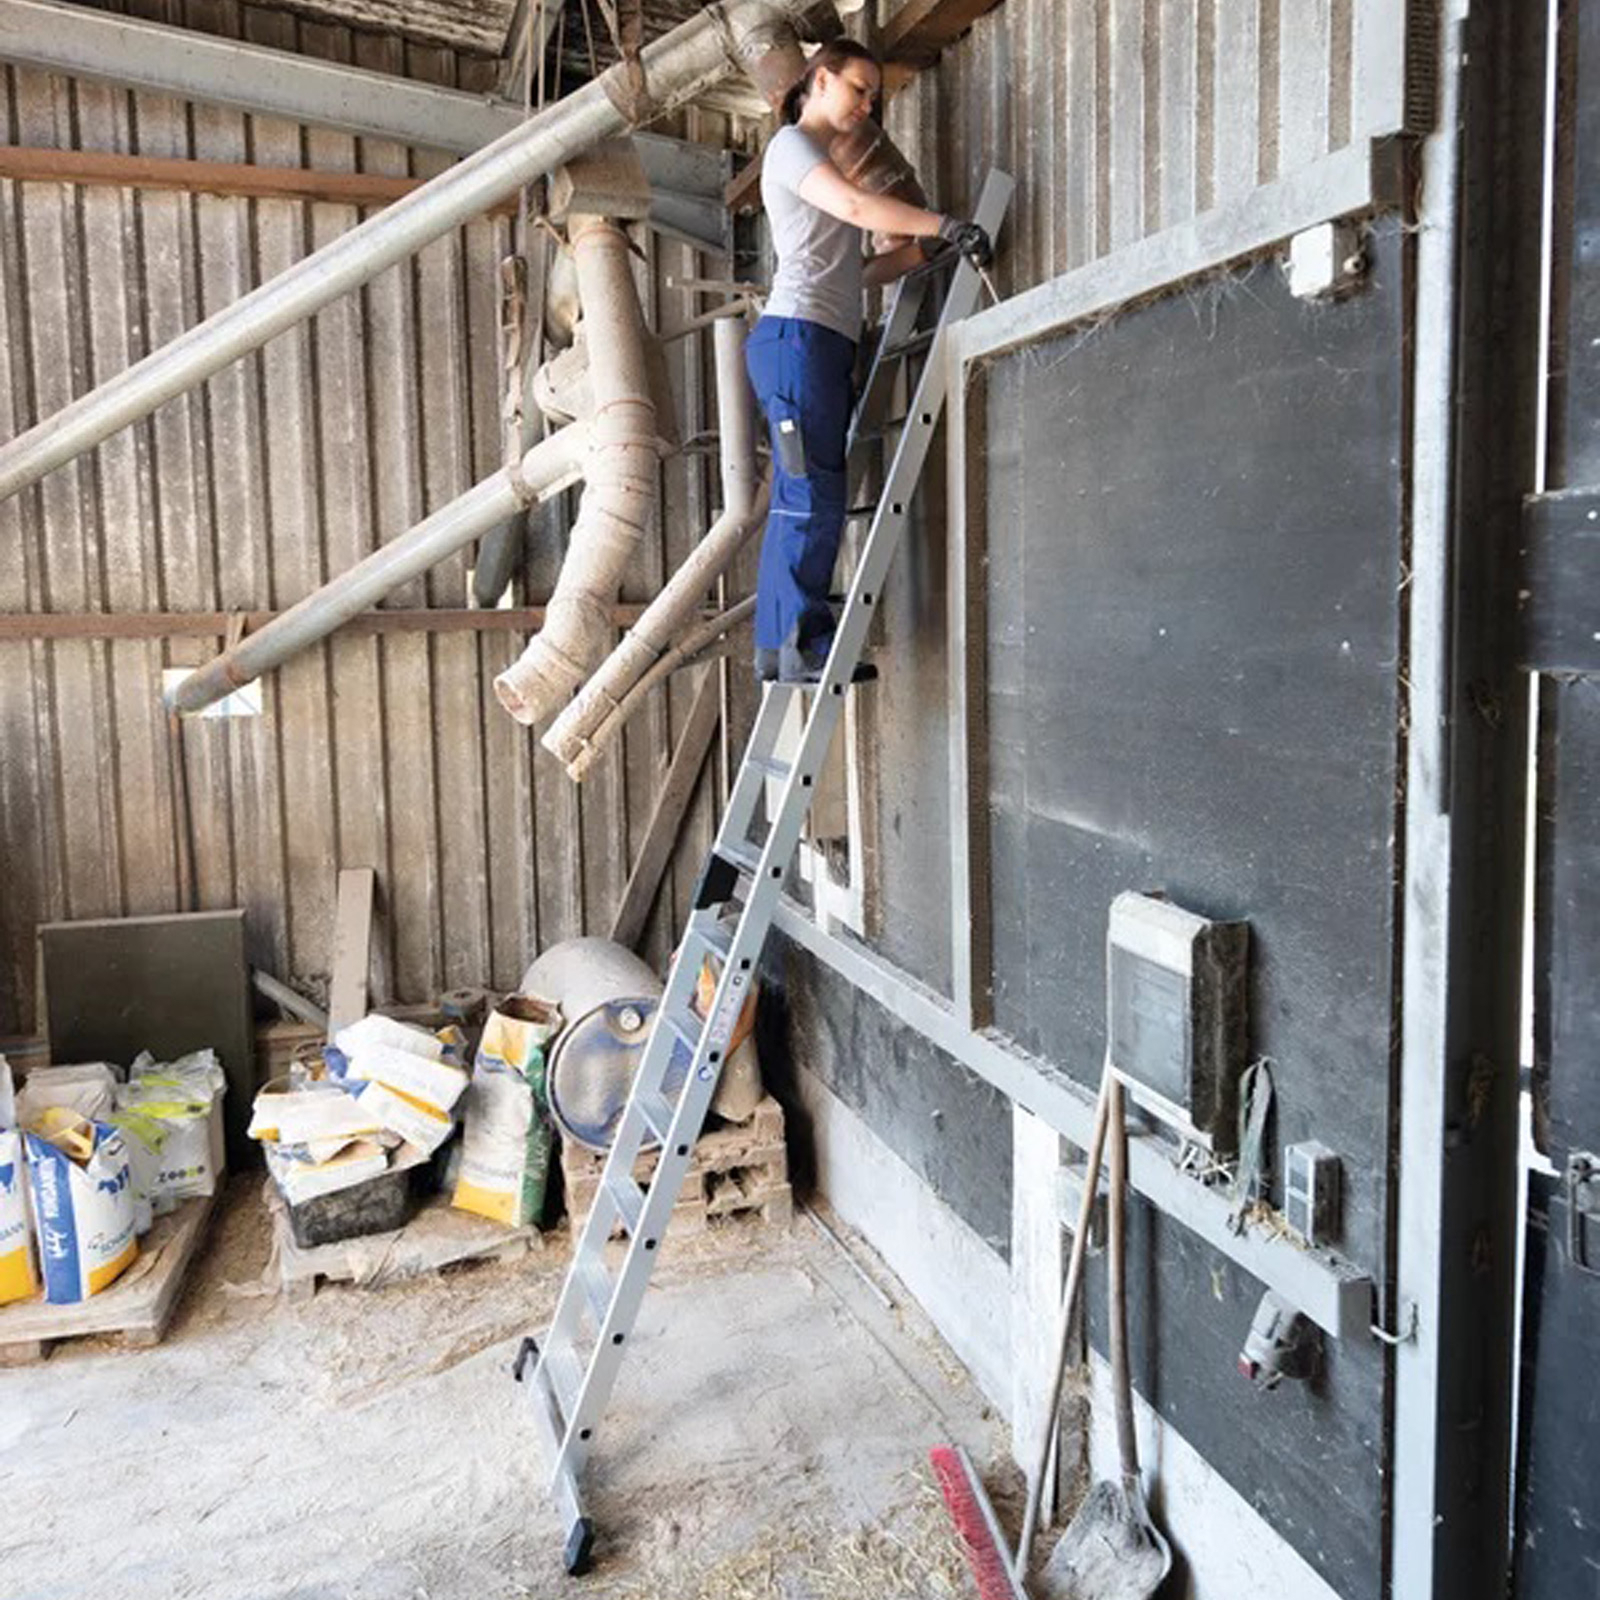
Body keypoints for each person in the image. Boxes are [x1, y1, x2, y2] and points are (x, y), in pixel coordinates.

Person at [746, 39, 993, 683]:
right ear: (820, 79)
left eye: (873, 96)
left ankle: (778, 646)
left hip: (818, 338)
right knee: (811, 490)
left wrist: (914, 259)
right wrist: (943, 224)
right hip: (797, 339)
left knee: (805, 491)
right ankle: (801, 643)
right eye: (859, 89)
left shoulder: (818, 159)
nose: (867, 105)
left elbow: (847, 274)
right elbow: (857, 210)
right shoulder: (794, 147)